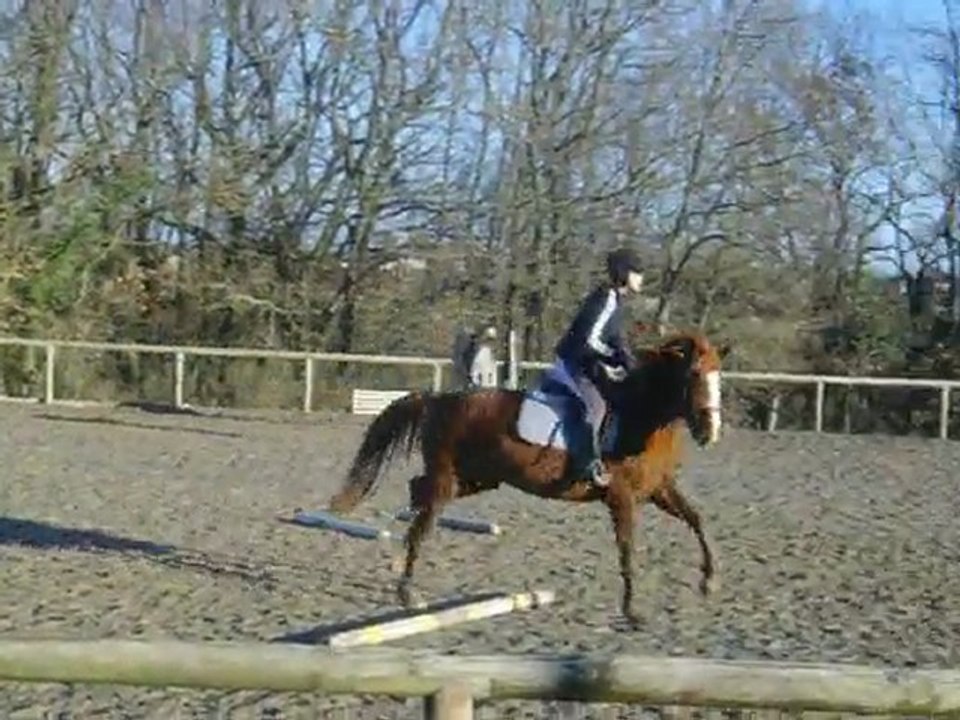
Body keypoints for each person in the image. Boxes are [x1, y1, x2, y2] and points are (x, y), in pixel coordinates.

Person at [550, 247, 645, 487]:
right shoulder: (606, 298)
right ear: (624, 273)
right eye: (637, 272)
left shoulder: (617, 301)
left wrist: (628, 359)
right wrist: (615, 356)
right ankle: (584, 465)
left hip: (590, 363)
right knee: (595, 407)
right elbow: (589, 339)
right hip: (574, 362)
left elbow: (614, 338)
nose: (641, 278)